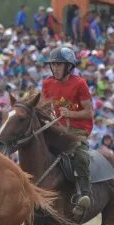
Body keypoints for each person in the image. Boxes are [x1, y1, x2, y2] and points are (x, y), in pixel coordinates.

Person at [39, 45, 94, 216]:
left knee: (80, 155)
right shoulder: (47, 83)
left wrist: (70, 113)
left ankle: (85, 194)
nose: (55, 68)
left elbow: (89, 112)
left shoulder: (80, 83)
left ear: (69, 66)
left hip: (77, 130)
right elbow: (43, 106)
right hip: (56, 129)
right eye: (53, 64)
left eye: (58, 64)